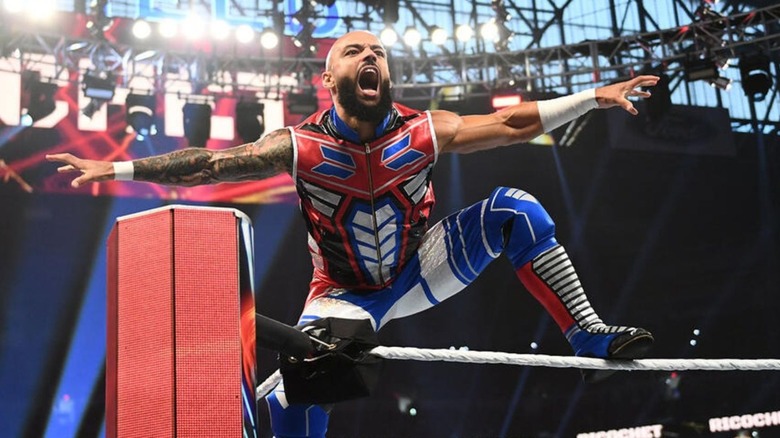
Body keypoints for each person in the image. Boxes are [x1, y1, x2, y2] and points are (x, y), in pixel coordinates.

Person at [48, 30, 659, 438]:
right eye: (353, 52)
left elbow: (509, 122)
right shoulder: (300, 145)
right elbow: (209, 165)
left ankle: (588, 337)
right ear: (328, 75)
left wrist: (592, 99)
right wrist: (116, 167)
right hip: (340, 294)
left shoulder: (424, 130)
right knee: (303, 386)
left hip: (421, 269)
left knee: (515, 209)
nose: (370, 58)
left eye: (378, 52)